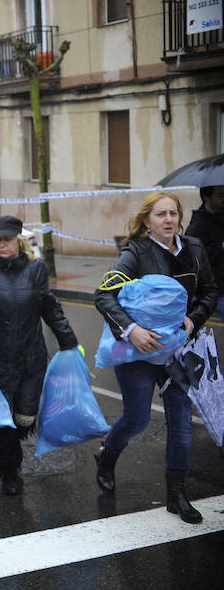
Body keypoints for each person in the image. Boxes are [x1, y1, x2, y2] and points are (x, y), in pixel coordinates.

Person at [94, 191, 217, 524]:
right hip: (140, 352)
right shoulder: (135, 252)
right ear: (147, 221)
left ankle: (176, 495)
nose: (168, 220)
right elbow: (104, 296)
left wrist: (195, 319)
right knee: (137, 419)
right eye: (161, 214)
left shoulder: (193, 248)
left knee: (181, 424)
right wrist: (131, 329)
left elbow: (209, 290)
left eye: (173, 213)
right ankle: (106, 457)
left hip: (179, 351)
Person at [0, 215, 78, 496]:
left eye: (6, 240)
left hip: (31, 358)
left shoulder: (36, 270)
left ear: (18, 240)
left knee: (24, 417)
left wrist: (68, 341)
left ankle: (9, 448)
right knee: (2, 420)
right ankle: (10, 470)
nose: (1, 245)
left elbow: (49, 306)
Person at [184, 185, 224, 317]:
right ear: (207, 197)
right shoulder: (197, 226)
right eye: (221, 195)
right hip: (212, 290)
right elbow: (194, 259)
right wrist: (220, 246)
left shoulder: (220, 217)